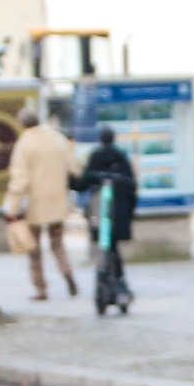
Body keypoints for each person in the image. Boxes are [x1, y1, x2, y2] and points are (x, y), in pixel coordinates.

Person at [2, 104, 79, 300]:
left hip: (34, 204)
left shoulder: (24, 144)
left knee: (34, 248)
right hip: (57, 200)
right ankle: (66, 271)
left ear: (22, 124)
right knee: (57, 242)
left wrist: (12, 207)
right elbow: (74, 167)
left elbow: (20, 180)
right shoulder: (56, 138)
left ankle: (41, 288)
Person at [74, 123, 139, 305]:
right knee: (113, 246)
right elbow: (132, 186)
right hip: (119, 213)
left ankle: (107, 277)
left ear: (100, 140)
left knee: (105, 245)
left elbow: (82, 183)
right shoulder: (121, 157)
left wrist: (70, 180)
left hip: (101, 212)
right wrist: (131, 211)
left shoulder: (96, 157)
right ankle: (119, 280)